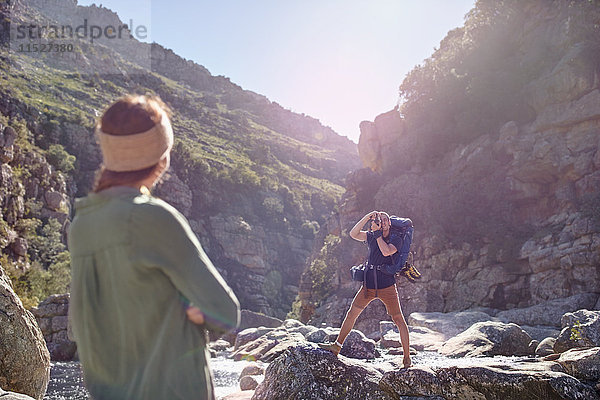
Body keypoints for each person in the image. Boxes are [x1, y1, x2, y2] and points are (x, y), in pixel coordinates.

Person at [68, 94, 240, 400]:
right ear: (162, 156)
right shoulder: (153, 217)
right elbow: (225, 313)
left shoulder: (83, 223)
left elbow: (84, 324)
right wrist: (185, 307)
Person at [319, 211, 412, 368]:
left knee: (398, 319)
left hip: (387, 285)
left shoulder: (396, 238)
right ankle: (337, 346)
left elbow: (386, 251)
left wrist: (376, 233)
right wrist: (367, 217)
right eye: (379, 219)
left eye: (385, 219)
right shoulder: (371, 236)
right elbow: (353, 234)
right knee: (352, 313)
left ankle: (407, 358)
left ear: (389, 223)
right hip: (368, 284)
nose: (382, 221)